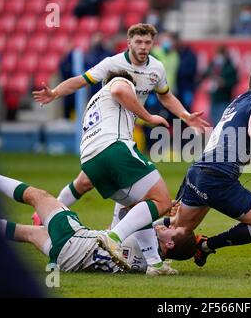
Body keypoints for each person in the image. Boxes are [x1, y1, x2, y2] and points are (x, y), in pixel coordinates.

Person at [32, 24, 209, 274]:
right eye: (139, 42)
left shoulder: (156, 68)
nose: (143, 47)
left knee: (116, 195)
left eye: (148, 43)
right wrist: (56, 93)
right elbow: (82, 81)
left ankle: (153, 263)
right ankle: (110, 236)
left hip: (103, 143)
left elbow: (165, 96)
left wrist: (185, 115)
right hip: (113, 140)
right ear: (129, 42)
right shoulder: (113, 67)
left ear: (152, 44)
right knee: (155, 199)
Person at [157, 63, 251, 267]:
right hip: (217, 177)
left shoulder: (239, 102)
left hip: (199, 171)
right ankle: (205, 246)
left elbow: (246, 157)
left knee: (178, 228)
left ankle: (127, 237)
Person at [0, 174, 195, 274]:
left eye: (171, 230)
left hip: (74, 240)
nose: (167, 226)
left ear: (169, 244)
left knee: (37, 196)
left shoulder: (145, 240)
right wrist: (166, 214)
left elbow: (126, 202)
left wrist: (160, 202)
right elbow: (141, 222)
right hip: (67, 260)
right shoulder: (149, 259)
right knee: (28, 233)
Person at [199, 45, 238, 126]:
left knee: (223, 124)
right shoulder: (212, 65)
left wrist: (224, 83)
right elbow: (205, 75)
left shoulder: (230, 67)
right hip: (213, 99)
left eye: (219, 54)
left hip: (224, 100)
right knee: (214, 123)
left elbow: (234, 81)